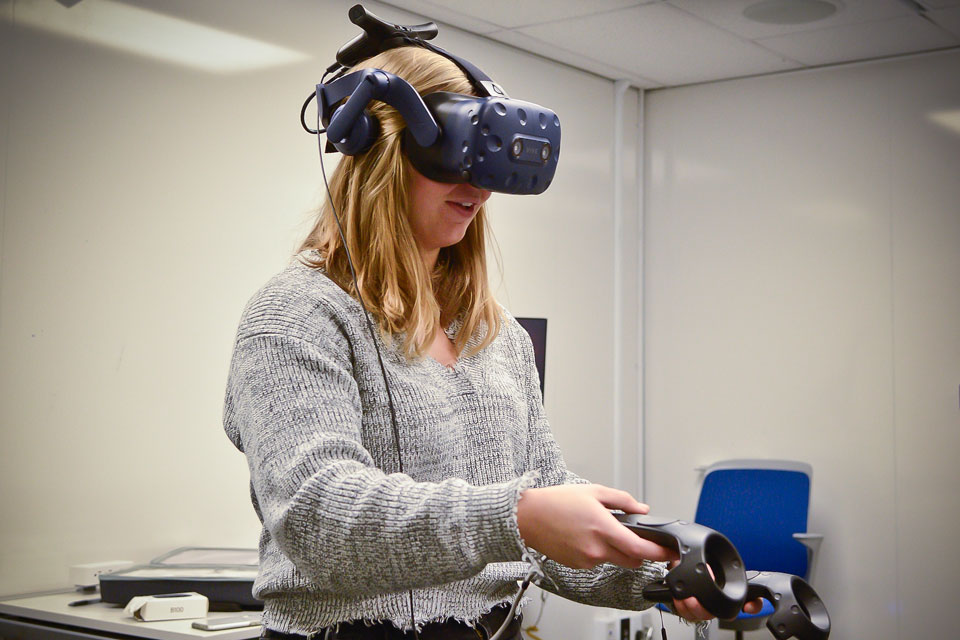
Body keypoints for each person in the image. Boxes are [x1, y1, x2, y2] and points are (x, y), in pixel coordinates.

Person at [224, 45, 759, 639]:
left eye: (485, 165)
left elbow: (541, 520)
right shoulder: (296, 316)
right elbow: (317, 519)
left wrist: (665, 572)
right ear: (379, 150)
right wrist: (518, 515)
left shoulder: (497, 335)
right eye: (452, 155)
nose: (476, 189)